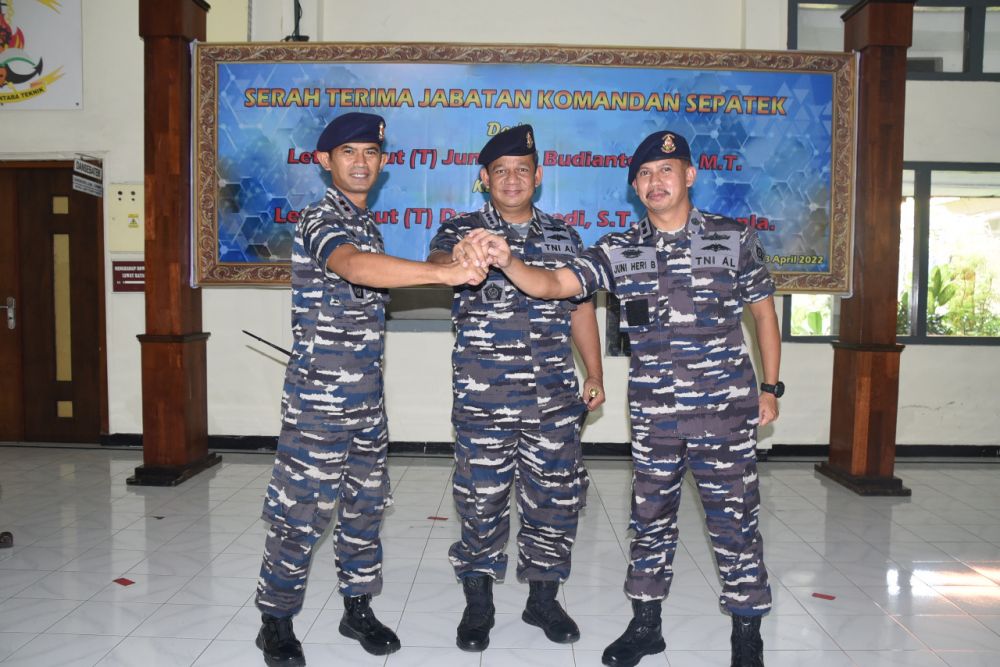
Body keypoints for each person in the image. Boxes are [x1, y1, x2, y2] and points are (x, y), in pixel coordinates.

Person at [465, 129, 782, 667]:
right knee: (650, 519)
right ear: (636, 187)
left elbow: (763, 314)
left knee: (735, 523)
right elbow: (555, 286)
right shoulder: (618, 250)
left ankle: (746, 634)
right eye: (645, 175)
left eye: (666, 171)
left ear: (689, 175)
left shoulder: (734, 239)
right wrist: (508, 261)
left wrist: (770, 387)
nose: (656, 182)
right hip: (655, 415)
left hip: (724, 413)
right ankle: (646, 625)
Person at [254, 112, 487, 667]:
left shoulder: (369, 227)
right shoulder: (320, 219)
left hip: (365, 401)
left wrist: (452, 260)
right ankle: (276, 621)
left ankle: (357, 606)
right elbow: (355, 267)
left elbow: (374, 268)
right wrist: (443, 275)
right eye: (349, 153)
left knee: (364, 509)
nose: (361, 162)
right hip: (318, 402)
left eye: (371, 154)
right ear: (324, 161)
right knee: (299, 514)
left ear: (382, 164)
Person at [427, 124, 606, 652]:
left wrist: (593, 371)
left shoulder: (564, 237)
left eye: (521, 170)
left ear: (538, 176)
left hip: (554, 396)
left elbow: (581, 309)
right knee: (481, 500)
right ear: (484, 179)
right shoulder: (459, 230)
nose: (511, 179)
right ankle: (478, 603)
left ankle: (543, 599)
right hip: (483, 398)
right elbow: (435, 268)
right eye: (500, 171)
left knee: (555, 499)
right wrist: (460, 258)